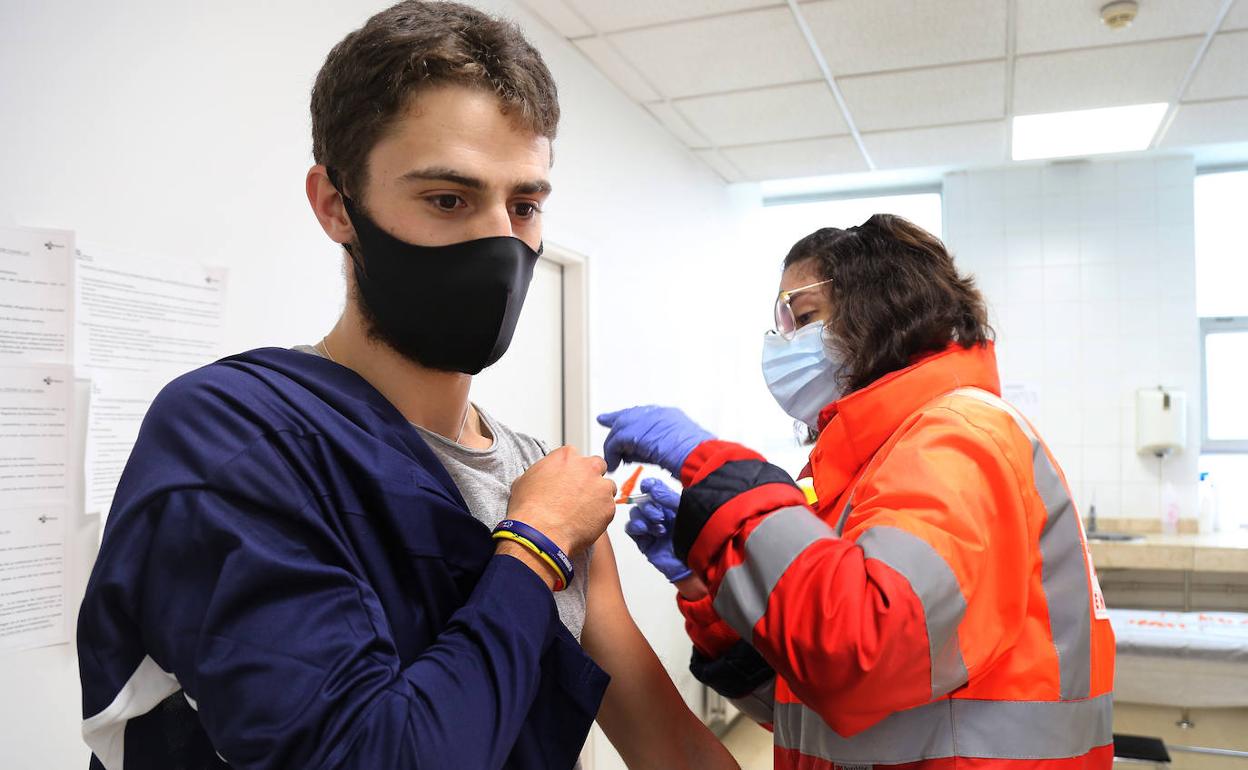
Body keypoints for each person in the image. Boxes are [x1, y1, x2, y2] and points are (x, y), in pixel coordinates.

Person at [76, 3, 738, 769]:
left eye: (524, 205)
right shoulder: (234, 436)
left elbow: (671, 746)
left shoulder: (536, 472)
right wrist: (535, 545)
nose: (500, 240)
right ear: (335, 205)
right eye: (448, 200)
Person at [601, 215, 1116, 769]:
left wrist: (715, 470)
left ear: (881, 310)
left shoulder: (956, 438)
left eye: (803, 319)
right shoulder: (872, 465)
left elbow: (864, 652)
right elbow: (802, 701)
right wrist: (710, 588)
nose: (784, 345)